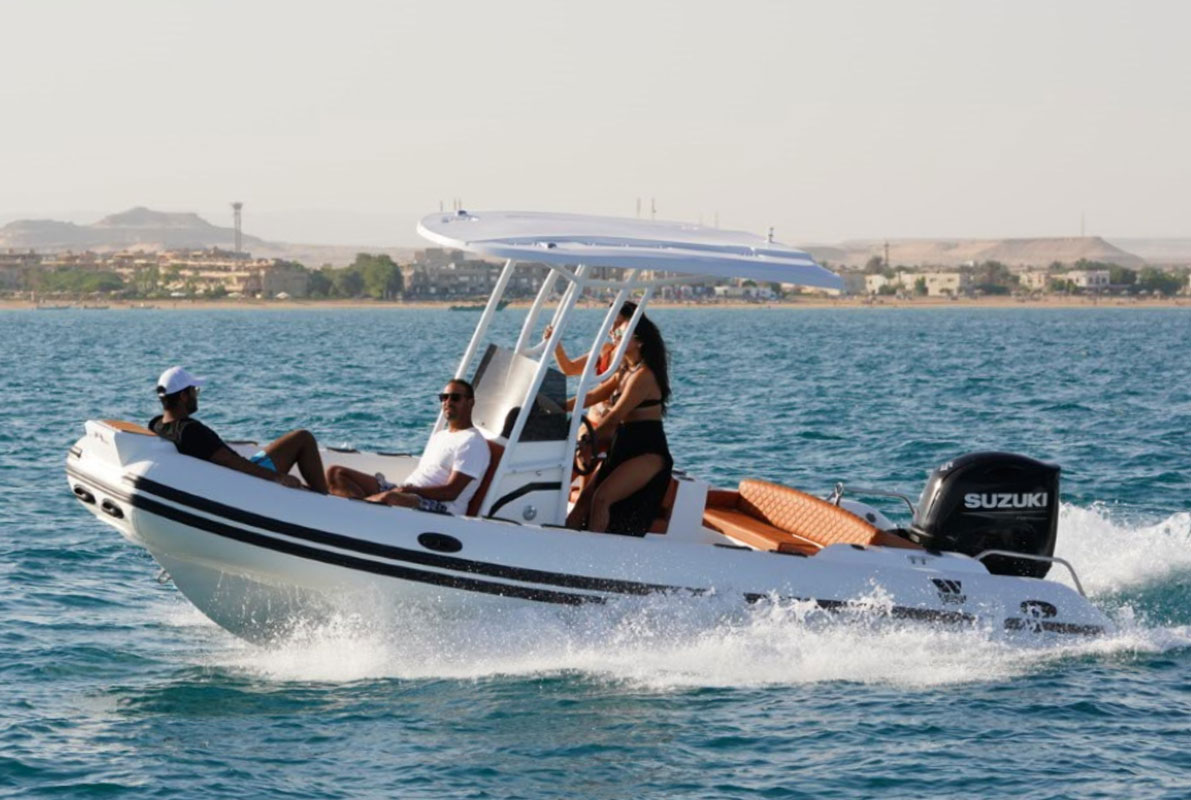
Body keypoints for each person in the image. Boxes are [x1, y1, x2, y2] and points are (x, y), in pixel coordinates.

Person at [566, 315, 672, 535]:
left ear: (639, 342)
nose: (614, 336)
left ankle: (591, 552)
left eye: (620, 334)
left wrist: (589, 441)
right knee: (585, 499)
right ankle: (562, 543)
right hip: (623, 443)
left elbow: (615, 417)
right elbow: (592, 397)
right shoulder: (624, 370)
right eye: (615, 333)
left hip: (646, 451)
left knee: (601, 498)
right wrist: (556, 406)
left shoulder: (644, 376)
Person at [148, 366, 329, 493]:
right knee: (302, 438)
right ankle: (324, 499)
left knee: (279, 445)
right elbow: (230, 461)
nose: (196, 395)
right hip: (244, 483)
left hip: (232, 479)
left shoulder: (157, 425)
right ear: (183, 396)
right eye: (194, 390)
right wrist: (278, 477)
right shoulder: (190, 430)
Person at [326, 379, 491, 515]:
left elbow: (451, 492)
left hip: (439, 506)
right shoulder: (441, 436)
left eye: (455, 398)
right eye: (444, 397)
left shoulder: (472, 442)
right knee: (336, 473)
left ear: (470, 403)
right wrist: (405, 490)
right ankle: (359, 512)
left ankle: (353, 513)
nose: (448, 402)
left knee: (388, 498)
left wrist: (409, 491)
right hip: (409, 492)